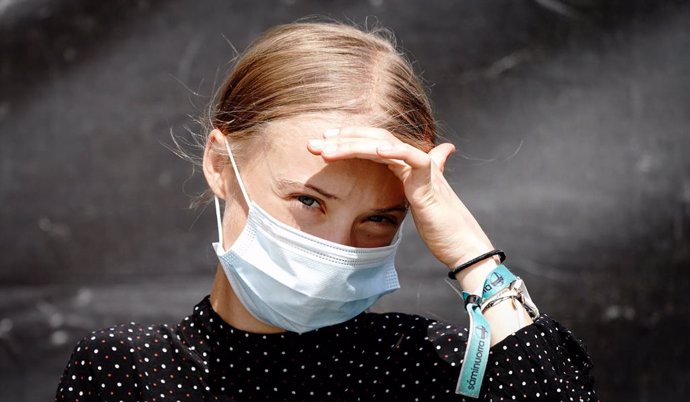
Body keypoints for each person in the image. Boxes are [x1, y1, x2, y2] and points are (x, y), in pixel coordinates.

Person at [55, 20, 597, 401]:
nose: (338, 249)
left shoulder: (431, 367)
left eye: (379, 219)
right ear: (221, 165)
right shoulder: (128, 370)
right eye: (309, 201)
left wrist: (474, 257)